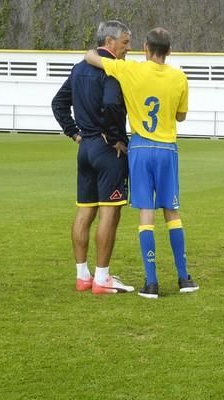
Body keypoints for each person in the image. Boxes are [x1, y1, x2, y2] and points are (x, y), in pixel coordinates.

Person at [85, 27, 199, 299]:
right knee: (171, 211)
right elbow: (181, 116)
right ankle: (184, 278)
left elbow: (92, 57)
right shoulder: (179, 76)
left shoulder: (132, 70)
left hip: (140, 147)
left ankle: (151, 283)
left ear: (146, 48)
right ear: (169, 51)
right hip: (167, 148)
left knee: (145, 212)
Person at [51, 20, 135, 293]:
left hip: (85, 148)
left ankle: (82, 276)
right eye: (125, 42)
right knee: (111, 212)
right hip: (106, 149)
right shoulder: (111, 71)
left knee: (85, 211)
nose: (128, 48)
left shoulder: (78, 69)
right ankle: (102, 278)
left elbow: (59, 103)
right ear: (109, 42)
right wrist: (115, 138)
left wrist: (75, 133)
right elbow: (111, 103)